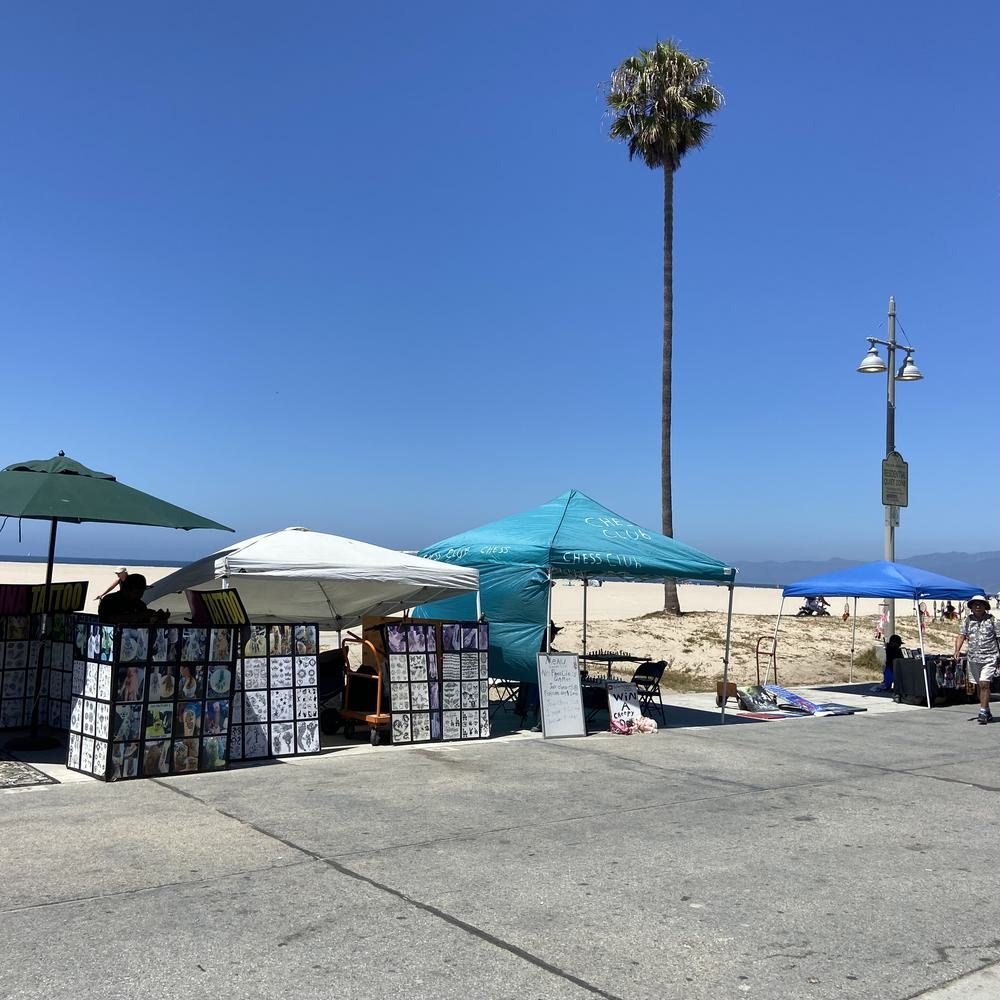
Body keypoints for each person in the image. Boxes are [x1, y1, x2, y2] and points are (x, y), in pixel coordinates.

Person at [955, 595, 1000, 724]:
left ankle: (983, 712)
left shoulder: (993, 620)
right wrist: (957, 650)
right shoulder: (967, 621)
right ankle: (986, 709)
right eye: (975, 604)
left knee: (985, 683)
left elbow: (999, 638)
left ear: (986, 606)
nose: (978, 607)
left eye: (981, 604)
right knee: (979, 685)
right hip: (973, 658)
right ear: (971, 607)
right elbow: (961, 635)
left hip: (990, 657)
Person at [98, 573, 166, 624]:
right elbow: (108, 620)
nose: (140, 595)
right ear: (126, 589)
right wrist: (140, 615)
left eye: (142, 592)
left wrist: (158, 618)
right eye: (137, 592)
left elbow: (146, 625)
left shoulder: (140, 605)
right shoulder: (110, 600)